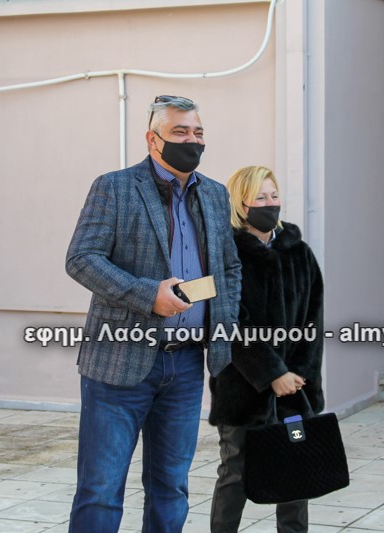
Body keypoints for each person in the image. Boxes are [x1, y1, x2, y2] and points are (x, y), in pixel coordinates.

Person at [66, 95, 241, 532]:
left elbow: (229, 269)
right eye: (180, 132)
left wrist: (225, 326)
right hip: (119, 362)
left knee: (171, 488)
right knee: (101, 491)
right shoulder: (115, 187)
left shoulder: (215, 195)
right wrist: (148, 295)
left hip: (186, 365)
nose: (192, 140)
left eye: (198, 132)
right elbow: (82, 259)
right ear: (152, 139)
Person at [208, 165, 324, 533]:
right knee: (235, 471)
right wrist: (272, 373)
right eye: (260, 197)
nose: (270, 203)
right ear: (240, 203)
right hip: (241, 389)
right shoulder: (226, 255)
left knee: (296, 469)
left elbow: (313, 320)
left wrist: (299, 375)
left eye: (274, 195)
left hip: (295, 391)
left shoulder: (299, 253)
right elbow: (229, 323)